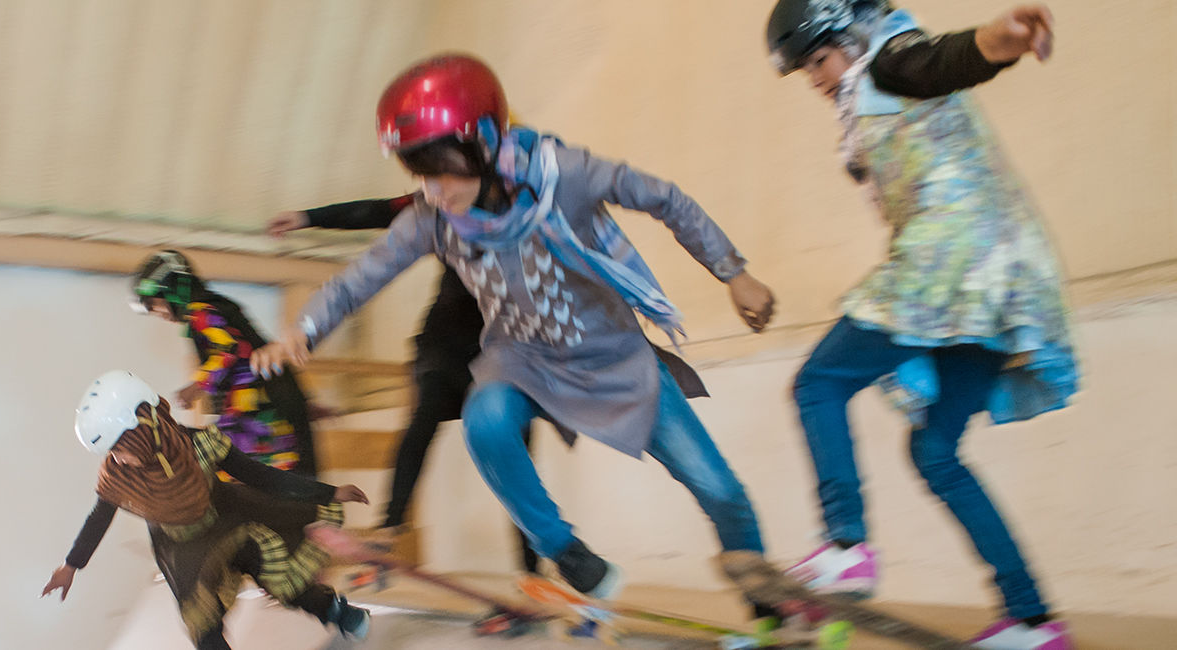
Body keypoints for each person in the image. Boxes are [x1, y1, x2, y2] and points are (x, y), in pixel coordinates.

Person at [252, 54, 781, 622]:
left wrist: (733, 271)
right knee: (486, 420)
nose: (434, 190)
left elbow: (663, 198)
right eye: (420, 175)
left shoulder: (565, 174)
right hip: (523, 359)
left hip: (614, 358)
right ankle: (568, 554)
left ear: (481, 141)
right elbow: (363, 275)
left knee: (718, 487)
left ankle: (769, 603)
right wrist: (304, 329)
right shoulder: (434, 217)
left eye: (443, 170)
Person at [763, 2, 1078, 648]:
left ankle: (845, 543)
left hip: (953, 266)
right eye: (806, 72)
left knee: (817, 385)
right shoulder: (869, 100)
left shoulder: (889, 60)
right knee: (935, 452)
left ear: (850, 38)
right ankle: (1033, 620)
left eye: (819, 61)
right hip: (1001, 282)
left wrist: (1001, 39)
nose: (817, 80)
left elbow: (945, 59)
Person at [41, 370, 371, 650]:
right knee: (204, 629)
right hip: (183, 550)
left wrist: (329, 492)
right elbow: (99, 516)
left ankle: (336, 611)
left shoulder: (200, 444)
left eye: (119, 448)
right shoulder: (119, 475)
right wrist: (71, 565)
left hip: (232, 519)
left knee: (284, 580)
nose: (117, 459)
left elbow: (260, 477)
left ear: (143, 427)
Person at [132, 250, 318, 475]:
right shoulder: (221, 307)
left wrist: (196, 386)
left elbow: (228, 350)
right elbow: (258, 347)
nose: (157, 312)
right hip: (271, 408)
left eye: (154, 303)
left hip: (255, 419)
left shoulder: (200, 312)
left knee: (223, 475)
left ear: (173, 289)